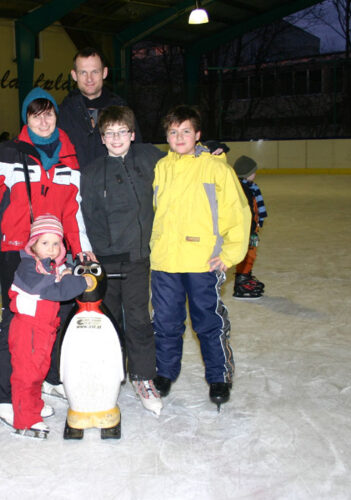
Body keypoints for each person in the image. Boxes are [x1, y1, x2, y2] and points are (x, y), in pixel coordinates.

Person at [0, 87, 95, 426]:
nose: (43, 120)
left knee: (54, 315)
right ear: (26, 118)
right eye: (35, 114)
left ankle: (42, 379)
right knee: (16, 321)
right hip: (16, 251)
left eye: (49, 113)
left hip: (57, 252)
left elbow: (73, 210)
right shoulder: (9, 152)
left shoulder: (69, 156)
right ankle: (1, 395)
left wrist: (80, 246)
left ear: (56, 116)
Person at [150, 105, 250, 411]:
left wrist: (230, 254)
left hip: (202, 262)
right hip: (166, 261)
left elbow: (238, 213)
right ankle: (164, 372)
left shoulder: (217, 169)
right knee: (165, 322)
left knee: (208, 322)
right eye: (173, 132)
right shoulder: (161, 168)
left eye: (186, 131)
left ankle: (219, 376)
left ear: (198, 135)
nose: (179, 137)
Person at [79, 105, 165, 416]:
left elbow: (182, 165)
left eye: (122, 132)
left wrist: (207, 151)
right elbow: (78, 213)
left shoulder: (150, 159)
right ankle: (108, 374)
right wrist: (85, 247)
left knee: (140, 319)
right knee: (109, 321)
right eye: (109, 133)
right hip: (104, 259)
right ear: (102, 138)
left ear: (132, 134)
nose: (116, 138)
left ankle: (142, 377)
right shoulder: (90, 173)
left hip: (137, 257)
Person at [8, 215, 92, 438]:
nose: (52, 249)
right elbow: (59, 292)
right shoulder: (28, 267)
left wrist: (64, 273)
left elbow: (55, 279)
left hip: (43, 330)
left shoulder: (46, 265)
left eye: (56, 243)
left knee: (38, 372)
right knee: (27, 375)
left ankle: (33, 406)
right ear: (33, 245)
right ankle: (25, 419)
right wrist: (83, 281)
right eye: (45, 243)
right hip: (29, 331)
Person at [57, 47, 142, 168]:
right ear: (74, 75)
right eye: (83, 72)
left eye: (95, 72)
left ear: (105, 72)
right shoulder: (62, 113)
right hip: (76, 185)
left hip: (114, 184)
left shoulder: (122, 110)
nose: (89, 79)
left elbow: (137, 152)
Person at [231, 156, 269, 300]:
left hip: (250, 229)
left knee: (250, 254)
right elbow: (247, 212)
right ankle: (242, 281)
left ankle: (245, 275)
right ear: (248, 173)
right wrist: (251, 229)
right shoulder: (244, 189)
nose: (255, 174)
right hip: (247, 230)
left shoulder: (248, 187)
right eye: (254, 172)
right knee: (248, 254)